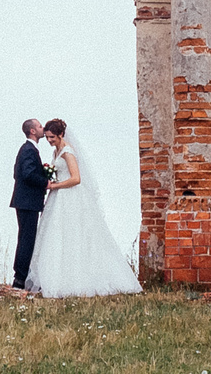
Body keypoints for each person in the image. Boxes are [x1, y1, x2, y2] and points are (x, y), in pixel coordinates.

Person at [25, 116, 141, 297]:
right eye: (47, 137)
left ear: (61, 134)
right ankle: (57, 278)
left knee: (73, 235)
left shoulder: (68, 152)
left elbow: (76, 178)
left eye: (52, 137)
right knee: (56, 236)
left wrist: (55, 185)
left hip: (70, 197)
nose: (49, 141)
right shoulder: (56, 152)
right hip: (58, 198)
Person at [8, 116, 49, 292]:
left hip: (25, 201)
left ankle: (22, 277)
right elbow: (27, 174)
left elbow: (17, 173)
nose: (43, 128)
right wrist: (45, 182)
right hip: (27, 202)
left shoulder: (28, 150)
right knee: (27, 240)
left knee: (26, 238)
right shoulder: (29, 150)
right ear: (32, 131)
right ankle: (20, 279)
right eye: (40, 126)